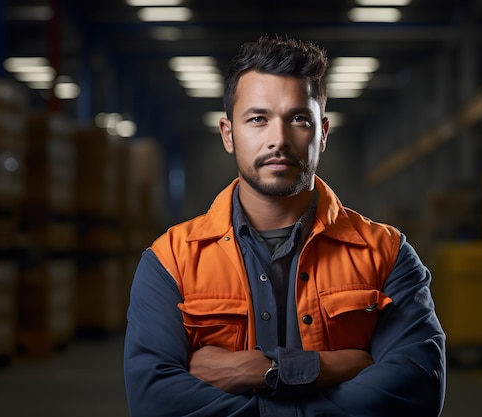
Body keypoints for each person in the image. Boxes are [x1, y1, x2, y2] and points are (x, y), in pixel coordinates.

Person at [124, 36, 446, 417]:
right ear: (229, 134)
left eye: (298, 119)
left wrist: (267, 372)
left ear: (322, 133)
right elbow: (154, 400)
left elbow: (418, 386)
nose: (278, 140)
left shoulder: (386, 253)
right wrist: (335, 369)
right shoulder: (171, 260)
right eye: (258, 119)